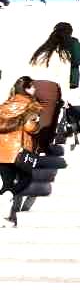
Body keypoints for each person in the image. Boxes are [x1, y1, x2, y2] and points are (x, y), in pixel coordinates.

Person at [0, 78, 45, 225]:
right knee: (26, 178)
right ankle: (9, 196)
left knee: (6, 183)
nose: (35, 90)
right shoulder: (31, 105)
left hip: (2, 150)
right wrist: (38, 124)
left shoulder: (5, 104)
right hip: (19, 150)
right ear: (26, 89)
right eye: (32, 87)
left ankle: (7, 217)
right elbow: (30, 128)